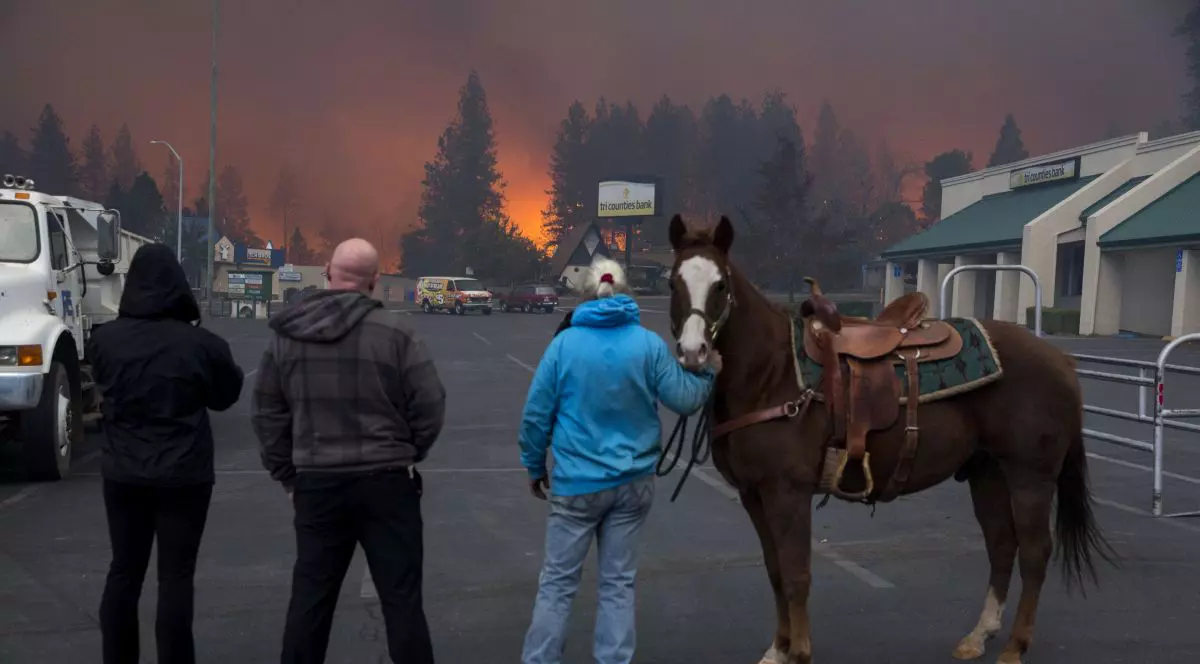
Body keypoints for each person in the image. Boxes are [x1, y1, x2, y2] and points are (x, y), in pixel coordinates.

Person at [251, 238, 446, 664]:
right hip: (387, 486)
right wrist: (407, 451)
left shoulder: (288, 336)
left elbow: (267, 411)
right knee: (402, 603)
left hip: (318, 487)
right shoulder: (397, 334)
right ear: (375, 282)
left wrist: (287, 475)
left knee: (310, 601)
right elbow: (430, 404)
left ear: (327, 273)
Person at [518, 258, 720, 664]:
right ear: (627, 291)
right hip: (633, 485)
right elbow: (683, 399)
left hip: (577, 485)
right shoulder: (647, 344)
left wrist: (535, 465)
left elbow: (536, 414)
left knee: (557, 585)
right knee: (618, 585)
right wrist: (709, 373)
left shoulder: (564, 345)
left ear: (587, 294)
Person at [89, 243, 245, 664]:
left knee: (124, 571)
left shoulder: (104, 340)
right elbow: (225, 396)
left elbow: (103, 386)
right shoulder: (202, 345)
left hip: (123, 474)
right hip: (184, 476)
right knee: (176, 577)